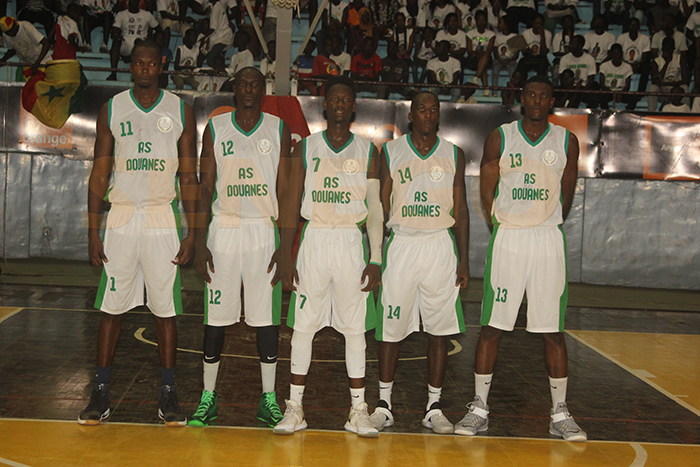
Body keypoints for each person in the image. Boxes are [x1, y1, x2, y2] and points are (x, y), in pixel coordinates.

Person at [455, 75, 586, 443]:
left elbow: (567, 190)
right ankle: (479, 408)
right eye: (531, 94)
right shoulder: (501, 135)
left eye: (544, 95)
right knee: (493, 325)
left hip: (546, 239)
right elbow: (486, 183)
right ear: (522, 97)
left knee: (552, 329)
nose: (537, 100)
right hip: (509, 237)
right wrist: (499, 217)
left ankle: (559, 413)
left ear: (551, 100)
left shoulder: (566, 141)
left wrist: (544, 218)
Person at [79, 39, 197, 427]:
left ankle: (168, 394)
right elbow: (100, 171)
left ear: (161, 66)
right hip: (123, 218)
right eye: (139, 63)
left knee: (165, 310)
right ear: (132, 67)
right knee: (111, 309)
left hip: (162, 216)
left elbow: (188, 176)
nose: (145, 69)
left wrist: (193, 230)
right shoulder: (112, 108)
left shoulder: (181, 109)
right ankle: (100, 391)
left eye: (152, 63)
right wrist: (94, 229)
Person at [273, 75, 383, 438]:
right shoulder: (304, 147)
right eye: (333, 100)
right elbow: (289, 203)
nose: (338, 105)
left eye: (345, 100)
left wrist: (376, 257)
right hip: (315, 240)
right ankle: (295, 407)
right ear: (326, 106)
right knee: (302, 327)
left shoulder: (369, 151)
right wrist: (286, 256)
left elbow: (376, 209)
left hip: (351, 243)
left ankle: (358, 410)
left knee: (355, 330)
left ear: (352, 107)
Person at [189, 67, 291, 428]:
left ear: (264, 89)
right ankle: (207, 397)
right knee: (216, 318)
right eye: (243, 83)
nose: (249, 89)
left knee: (266, 319)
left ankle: (268, 399)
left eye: (255, 84)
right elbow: (204, 187)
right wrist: (200, 243)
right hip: (225, 228)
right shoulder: (216, 128)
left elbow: (286, 191)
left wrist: (286, 245)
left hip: (264, 231)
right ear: (234, 88)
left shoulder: (279, 128)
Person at [369, 91, 469, 435]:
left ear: (439, 115)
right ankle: (383, 405)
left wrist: (465, 260)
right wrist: (376, 255)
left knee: (439, 330)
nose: (428, 114)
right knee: (390, 329)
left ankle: (434, 406)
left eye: (434, 109)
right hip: (402, 245)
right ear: (411, 116)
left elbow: (463, 209)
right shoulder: (392, 152)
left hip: (440, 245)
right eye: (421, 109)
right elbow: (379, 210)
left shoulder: (454, 153)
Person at [107, 0, 159, 81]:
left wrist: (151, 39)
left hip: (140, 45)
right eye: (131, 1)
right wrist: (116, 35)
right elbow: (114, 31)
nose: (133, 3)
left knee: (138, 42)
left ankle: (135, 76)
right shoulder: (121, 14)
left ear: (139, 3)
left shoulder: (147, 15)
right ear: (128, 3)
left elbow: (159, 29)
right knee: (116, 41)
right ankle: (113, 73)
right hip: (125, 43)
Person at [617, 16, 650, 109]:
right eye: (631, 25)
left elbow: (645, 56)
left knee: (646, 68)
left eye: (636, 25)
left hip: (639, 64)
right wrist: (627, 65)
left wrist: (637, 64)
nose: (633, 27)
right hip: (624, 63)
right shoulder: (622, 38)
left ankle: (640, 92)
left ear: (639, 27)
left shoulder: (645, 38)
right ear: (628, 26)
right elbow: (618, 54)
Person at [648, 36, 689, 111]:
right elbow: (657, 82)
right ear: (662, 49)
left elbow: (685, 80)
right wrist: (667, 62)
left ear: (674, 49)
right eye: (666, 49)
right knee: (653, 88)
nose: (668, 51)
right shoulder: (656, 61)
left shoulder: (680, 58)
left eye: (670, 49)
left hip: (677, 89)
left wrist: (667, 84)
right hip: (663, 89)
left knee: (685, 87)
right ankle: (651, 113)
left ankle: (687, 114)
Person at [465, 10, 495, 94]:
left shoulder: (491, 34)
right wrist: (476, 53)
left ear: (486, 21)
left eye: (483, 20)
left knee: (484, 57)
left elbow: (489, 49)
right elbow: (469, 50)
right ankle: (486, 89)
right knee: (483, 65)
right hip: (473, 58)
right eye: (479, 20)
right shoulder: (470, 33)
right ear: (476, 21)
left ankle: (476, 77)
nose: (481, 22)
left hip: (486, 57)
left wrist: (481, 53)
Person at [599, 43, 633, 108]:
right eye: (614, 53)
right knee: (602, 97)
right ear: (611, 54)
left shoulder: (627, 67)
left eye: (618, 53)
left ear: (622, 53)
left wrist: (620, 93)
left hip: (622, 92)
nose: (616, 55)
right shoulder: (604, 66)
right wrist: (612, 93)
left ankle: (626, 115)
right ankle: (606, 114)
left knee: (633, 98)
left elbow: (627, 86)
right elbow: (602, 84)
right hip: (608, 91)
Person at [493, 16, 519, 90]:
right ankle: (494, 91)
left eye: (500, 22)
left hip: (510, 60)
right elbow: (495, 53)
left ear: (506, 25)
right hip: (499, 59)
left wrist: (509, 59)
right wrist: (499, 59)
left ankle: (512, 90)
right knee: (495, 68)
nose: (498, 24)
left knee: (512, 68)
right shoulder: (497, 36)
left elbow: (516, 55)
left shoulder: (514, 36)